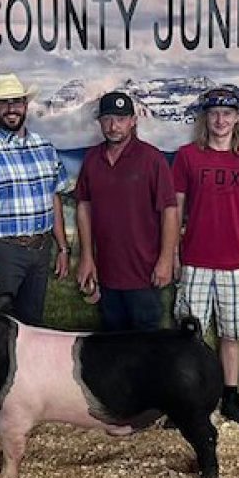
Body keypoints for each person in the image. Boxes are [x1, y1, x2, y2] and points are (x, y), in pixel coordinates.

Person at [172, 85, 239, 428]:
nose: (220, 120)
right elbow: (176, 208)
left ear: (237, 118)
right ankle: (190, 399)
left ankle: (230, 397)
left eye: (227, 114)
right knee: (190, 336)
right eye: (214, 114)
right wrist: (173, 254)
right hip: (196, 259)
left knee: (231, 334)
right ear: (205, 118)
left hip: (235, 261)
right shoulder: (187, 156)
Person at [0, 73, 70, 325]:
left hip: (41, 249)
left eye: (17, 102)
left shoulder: (45, 147)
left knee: (33, 324)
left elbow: (54, 198)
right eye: (4, 103)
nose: (11, 109)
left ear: (26, 106)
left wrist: (63, 247)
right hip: (3, 251)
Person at [74, 91, 179, 331]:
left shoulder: (152, 159)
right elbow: (83, 207)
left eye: (121, 119)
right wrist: (87, 257)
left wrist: (165, 259)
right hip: (107, 273)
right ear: (100, 122)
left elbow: (169, 211)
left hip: (145, 274)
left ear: (133, 121)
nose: (113, 126)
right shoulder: (92, 160)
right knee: (114, 348)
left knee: (146, 348)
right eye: (108, 119)